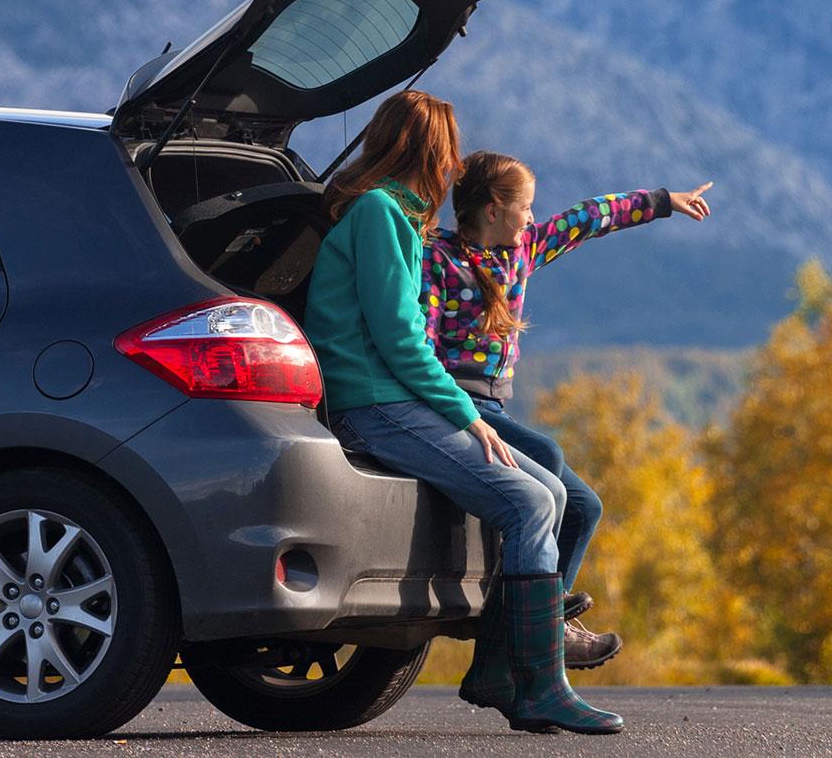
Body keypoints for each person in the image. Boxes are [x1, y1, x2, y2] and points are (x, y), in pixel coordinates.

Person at [301, 91, 621, 735]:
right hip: (375, 404)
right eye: (448, 151)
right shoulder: (379, 214)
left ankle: (504, 672)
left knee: (555, 494)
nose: (453, 168)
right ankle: (540, 686)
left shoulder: (392, 215)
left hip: (393, 398)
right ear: (429, 151)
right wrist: (467, 417)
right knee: (529, 502)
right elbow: (399, 339)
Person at [426, 150, 713, 696]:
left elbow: (588, 217)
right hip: (458, 405)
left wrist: (662, 202)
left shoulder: (523, 250)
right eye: (525, 207)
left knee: (585, 507)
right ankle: (540, 632)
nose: (532, 218)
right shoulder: (437, 260)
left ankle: (523, 635)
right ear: (493, 209)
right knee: (549, 456)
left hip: (496, 407)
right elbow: (420, 344)